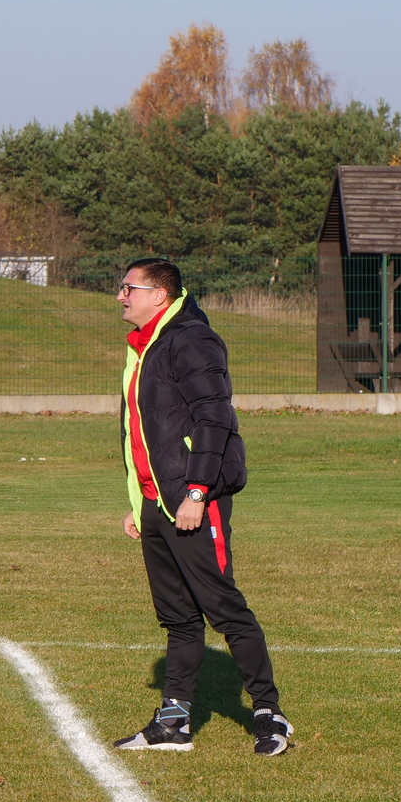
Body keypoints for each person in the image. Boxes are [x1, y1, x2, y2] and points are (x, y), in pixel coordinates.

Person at [108, 258, 293, 756]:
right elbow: (146, 432)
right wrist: (139, 501)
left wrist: (196, 491)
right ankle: (174, 722)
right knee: (178, 617)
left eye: (129, 287)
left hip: (193, 501)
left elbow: (214, 419)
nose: (121, 295)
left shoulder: (189, 339)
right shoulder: (144, 345)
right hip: (157, 502)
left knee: (223, 609)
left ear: (159, 296)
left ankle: (269, 714)